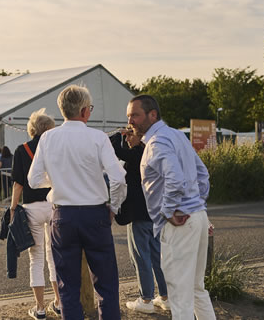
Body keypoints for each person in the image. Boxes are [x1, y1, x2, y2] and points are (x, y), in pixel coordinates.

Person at [29, 85, 127, 320]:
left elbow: (33, 180)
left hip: (63, 215)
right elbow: (118, 177)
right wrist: (114, 207)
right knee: (106, 285)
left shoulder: (48, 138)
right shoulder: (98, 138)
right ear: (85, 111)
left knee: (67, 287)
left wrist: (56, 181)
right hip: (95, 214)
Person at [127, 95, 216, 320]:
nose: (131, 122)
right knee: (196, 289)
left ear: (152, 114)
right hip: (195, 216)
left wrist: (168, 212)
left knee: (179, 294)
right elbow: (202, 174)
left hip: (179, 222)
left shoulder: (157, 143)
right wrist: (197, 205)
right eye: (129, 116)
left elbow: (174, 179)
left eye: (135, 115)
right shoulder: (176, 135)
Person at [109, 128, 169, 313]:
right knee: (156, 255)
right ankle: (166, 296)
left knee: (141, 257)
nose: (127, 138)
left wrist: (118, 134)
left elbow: (113, 150)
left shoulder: (138, 153)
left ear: (141, 138)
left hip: (138, 214)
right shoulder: (152, 153)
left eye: (130, 135)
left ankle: (146, 299)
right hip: (154, 213)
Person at [10, 109, 61, 319]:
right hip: (53, 205)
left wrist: (13, 208)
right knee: (54, 256)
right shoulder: (55, 148)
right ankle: (58, 302)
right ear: (49, 129)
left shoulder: (22, 150)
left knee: (36, 258)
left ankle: (39, 308)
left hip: (31, 208)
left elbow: (18, 184)